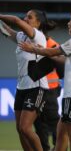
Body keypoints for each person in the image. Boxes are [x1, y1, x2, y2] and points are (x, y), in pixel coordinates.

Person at [19, 6, 71, 151]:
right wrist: (43, 51)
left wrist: (34, 49)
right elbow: (64, 59)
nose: (68, 23)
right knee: (61, 136)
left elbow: (52, 52)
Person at [0, 10, 51, 151]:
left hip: (36, 86)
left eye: (30, 17)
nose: (25, 19)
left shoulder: (38, 36)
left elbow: (16, 21)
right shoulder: (21, 36)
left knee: (25, 128)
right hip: (21, 87)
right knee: (20, 129)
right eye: (26, 16)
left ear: (38, 22)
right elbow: (6, 29)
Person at [34, 20, 61, 151]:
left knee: (53, 124)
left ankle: (59, 148)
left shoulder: (52, 45)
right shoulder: (48, 43)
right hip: (37, 90)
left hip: (50, 91)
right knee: (39, 125)